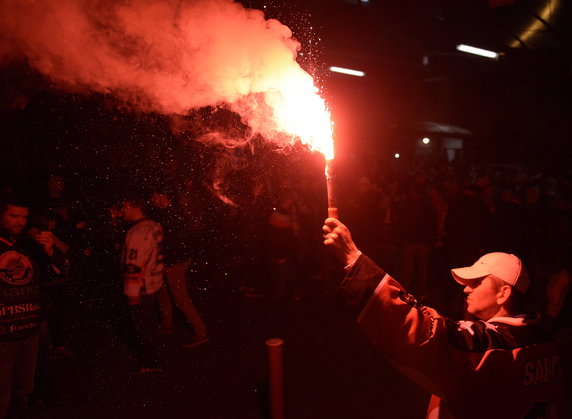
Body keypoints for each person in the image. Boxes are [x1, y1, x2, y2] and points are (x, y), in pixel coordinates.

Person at [322, 217, 563, 418]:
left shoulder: (494, 346)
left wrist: (354, 259)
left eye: (476, 282)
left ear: (503, 293)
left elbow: (427, 335)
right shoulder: (547, 341)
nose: (466, 289)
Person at [0, 195, 67, 418]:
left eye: (23, 217)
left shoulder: (29, 246)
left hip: (30, 330)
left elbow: (57, 276)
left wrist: (50, 252)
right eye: (13, 216)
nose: (19, 221)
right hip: (3, 335)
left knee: (23, 391)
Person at [120, 197, 164, 373]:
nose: (123, 210)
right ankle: (151, 358)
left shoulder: (137, 233)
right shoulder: (154, 226)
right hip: (154, 283)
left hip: (142, 287)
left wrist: (132, 292)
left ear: (133, 206)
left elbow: (134, 264)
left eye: (125, 206)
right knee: (150, 323)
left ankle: (149, 363)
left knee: (143, 326)